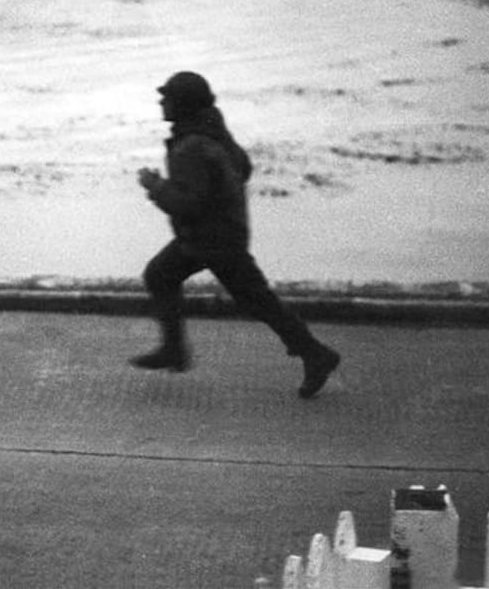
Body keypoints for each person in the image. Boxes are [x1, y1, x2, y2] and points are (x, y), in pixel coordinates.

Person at [133, 71, 340, 398]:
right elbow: (242, 168)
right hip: (219, 234)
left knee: (171, 278)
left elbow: (188, 205)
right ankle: (313, 353)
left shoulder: (191, 145)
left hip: (212, 240)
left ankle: (316, 354)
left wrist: (156, 186)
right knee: (246, 297)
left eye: (167, 97)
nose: (162, 102)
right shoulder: (213, 133)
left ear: (182, 104)